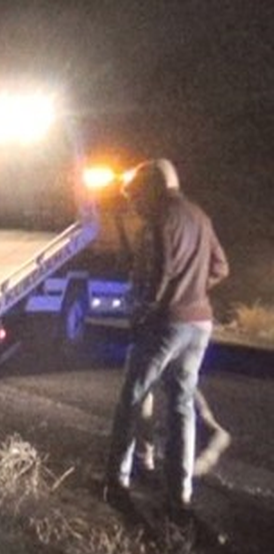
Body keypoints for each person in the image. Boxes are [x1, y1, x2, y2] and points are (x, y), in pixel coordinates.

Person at [104, 158, 229, 523]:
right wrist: (194, 291)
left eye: (137, 196)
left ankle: (116, 483)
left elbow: (161, 273)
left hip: (165, 323)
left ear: (152, 188)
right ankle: (179, 496)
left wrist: (147, 309)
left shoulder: (162, 219)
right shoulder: (200, 216)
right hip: (200, 324)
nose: (135, 205)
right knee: (181, 406)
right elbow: (221, 267)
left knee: (131, 399)